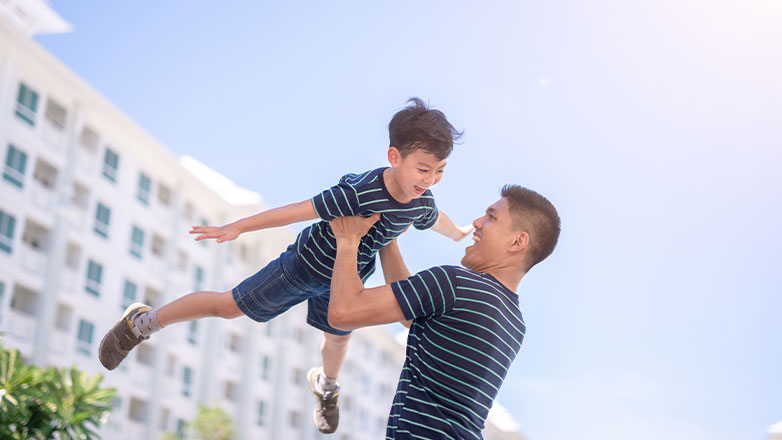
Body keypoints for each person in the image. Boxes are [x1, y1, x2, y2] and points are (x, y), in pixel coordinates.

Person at [97, 97, 471, 434]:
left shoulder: (422, 201)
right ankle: (142, 322)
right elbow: (297, 210)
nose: (430, 180)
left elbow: (435, 219)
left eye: (439, 171)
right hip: (304, 266)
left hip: (347, 280)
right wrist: (239, 226)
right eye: (423, 169)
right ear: (394, 157)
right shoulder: (359, 192)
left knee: (339, 339)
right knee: (228, 306)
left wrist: (458, 234)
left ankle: (326, 386)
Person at [327, 184, 560, 439]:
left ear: (517, 241)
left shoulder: (455, 284)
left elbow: (343, 312)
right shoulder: (513, 322)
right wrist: (388, 236)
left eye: (492, 217)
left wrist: (347, 240)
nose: (477, 222)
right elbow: (414, 314)